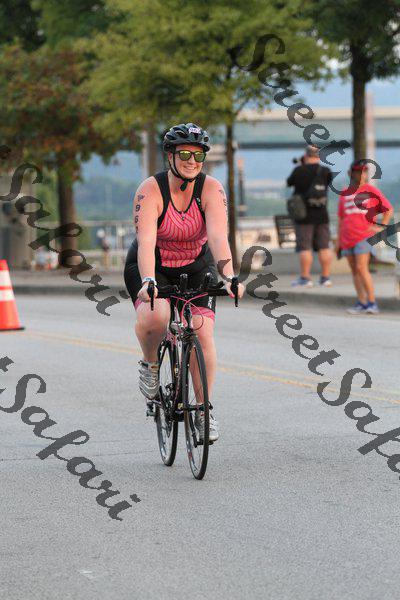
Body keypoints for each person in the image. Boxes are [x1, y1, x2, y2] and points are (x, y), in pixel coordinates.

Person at [124, 123, 244, 442]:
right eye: (185, 154)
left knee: (202, 333)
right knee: (156, 315)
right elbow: (146, 241)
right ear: (171, 156)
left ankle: (203, 411)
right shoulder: (151, 189)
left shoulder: (211, 189)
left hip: (196, 266)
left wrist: (229, 276)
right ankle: (151, 363)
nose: (192, 161)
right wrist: (148, 280)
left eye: (198, 155)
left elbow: (217, 238)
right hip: (153, 265)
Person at [336, 159, 393, 315]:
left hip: (364, 236)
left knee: (362, 268)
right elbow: (341, 218)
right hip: (347, 237)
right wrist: (338, 242)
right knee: (355, 270)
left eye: (364, 172)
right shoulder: (344, 193)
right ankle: (361, 302)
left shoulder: (371, 190)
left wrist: (380, 227)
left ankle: (372, 302)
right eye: (358, 172)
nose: (361, 175)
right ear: (350, 173)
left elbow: (388, 209)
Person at [287, 145, 333, 287]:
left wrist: (301, 165)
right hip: (322, 214)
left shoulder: (299, 170)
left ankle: (305, 278)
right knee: (324, 246)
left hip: (304, 216)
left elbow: (289, 183)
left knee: (305, 247)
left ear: (306, 155)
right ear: (318, 157)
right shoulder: (326, 171)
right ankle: (325, 277)